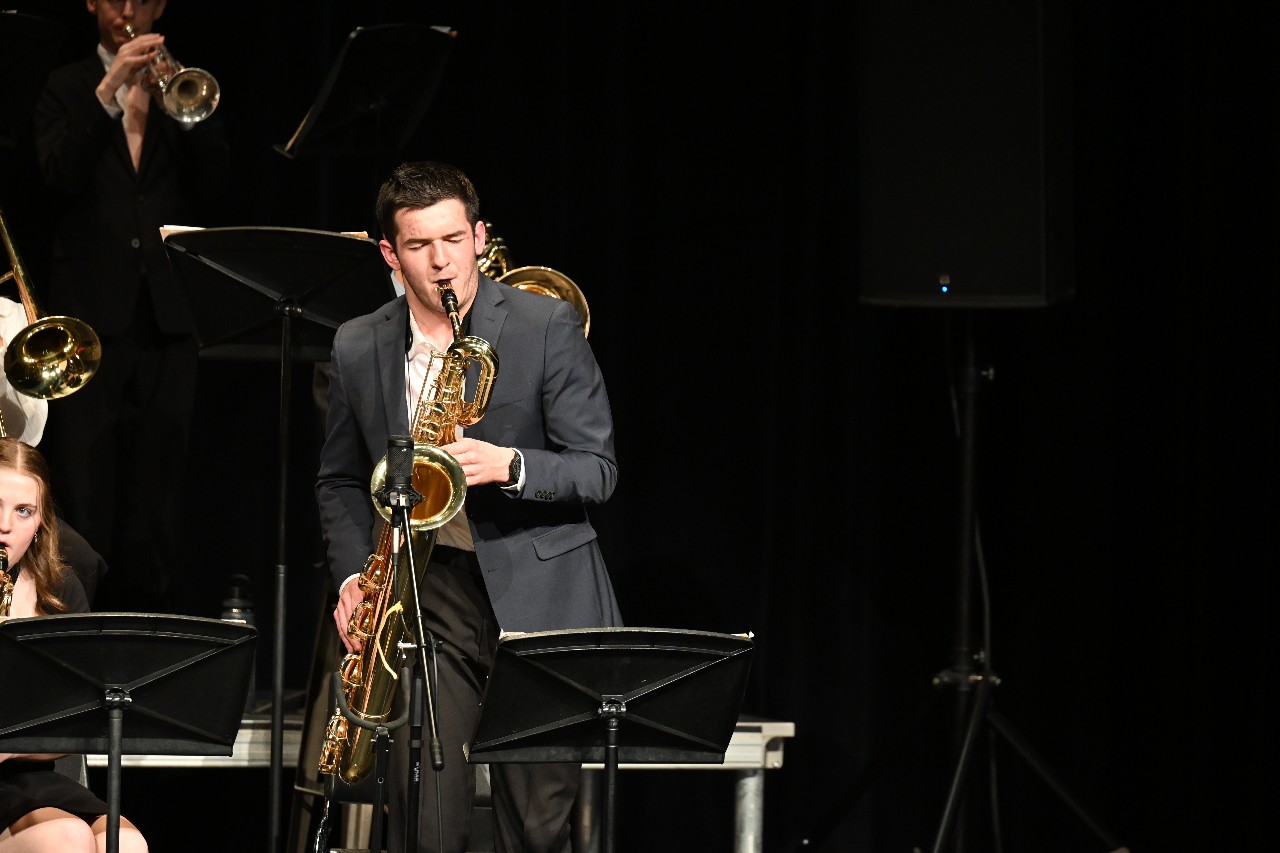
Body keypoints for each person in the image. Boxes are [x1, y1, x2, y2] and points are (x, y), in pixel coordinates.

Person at [316, 161, 621, 853]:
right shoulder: (358, 342)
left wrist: (508, 465)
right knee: (425, 809)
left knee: (536, 824)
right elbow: (337, 480)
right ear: (390, 253)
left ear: (480, 236)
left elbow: (598, 468)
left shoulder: (547, 325)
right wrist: (348, 578)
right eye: (420, 246)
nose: (442, 261)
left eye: (454, 239)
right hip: (427, 587)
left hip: (541, 596)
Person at [31, 0, 229, 610]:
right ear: (91, 3)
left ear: (161, 7)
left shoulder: (181, 87)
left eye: (139, 1)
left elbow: (218, 185)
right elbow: (54, 176)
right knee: (88, 487)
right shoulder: (66, 86)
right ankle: (86, 630)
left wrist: (178, 105)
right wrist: (111, 87)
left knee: (160, 494)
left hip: (169, 317)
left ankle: (151, 639)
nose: (126, 12)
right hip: (88, 320)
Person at [0, 437, 148, 852]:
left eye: (23, 511)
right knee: (63, 839)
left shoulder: (60, 591)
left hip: (28, 773)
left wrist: (13, 750)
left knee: (129, 843)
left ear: (42, 520)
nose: (5, 526)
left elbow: (75, 720)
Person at [0, 298, 110, 604]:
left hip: (5, 472)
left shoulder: (10, 314)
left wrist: (0, 365)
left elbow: (31, 431)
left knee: (83, 559)